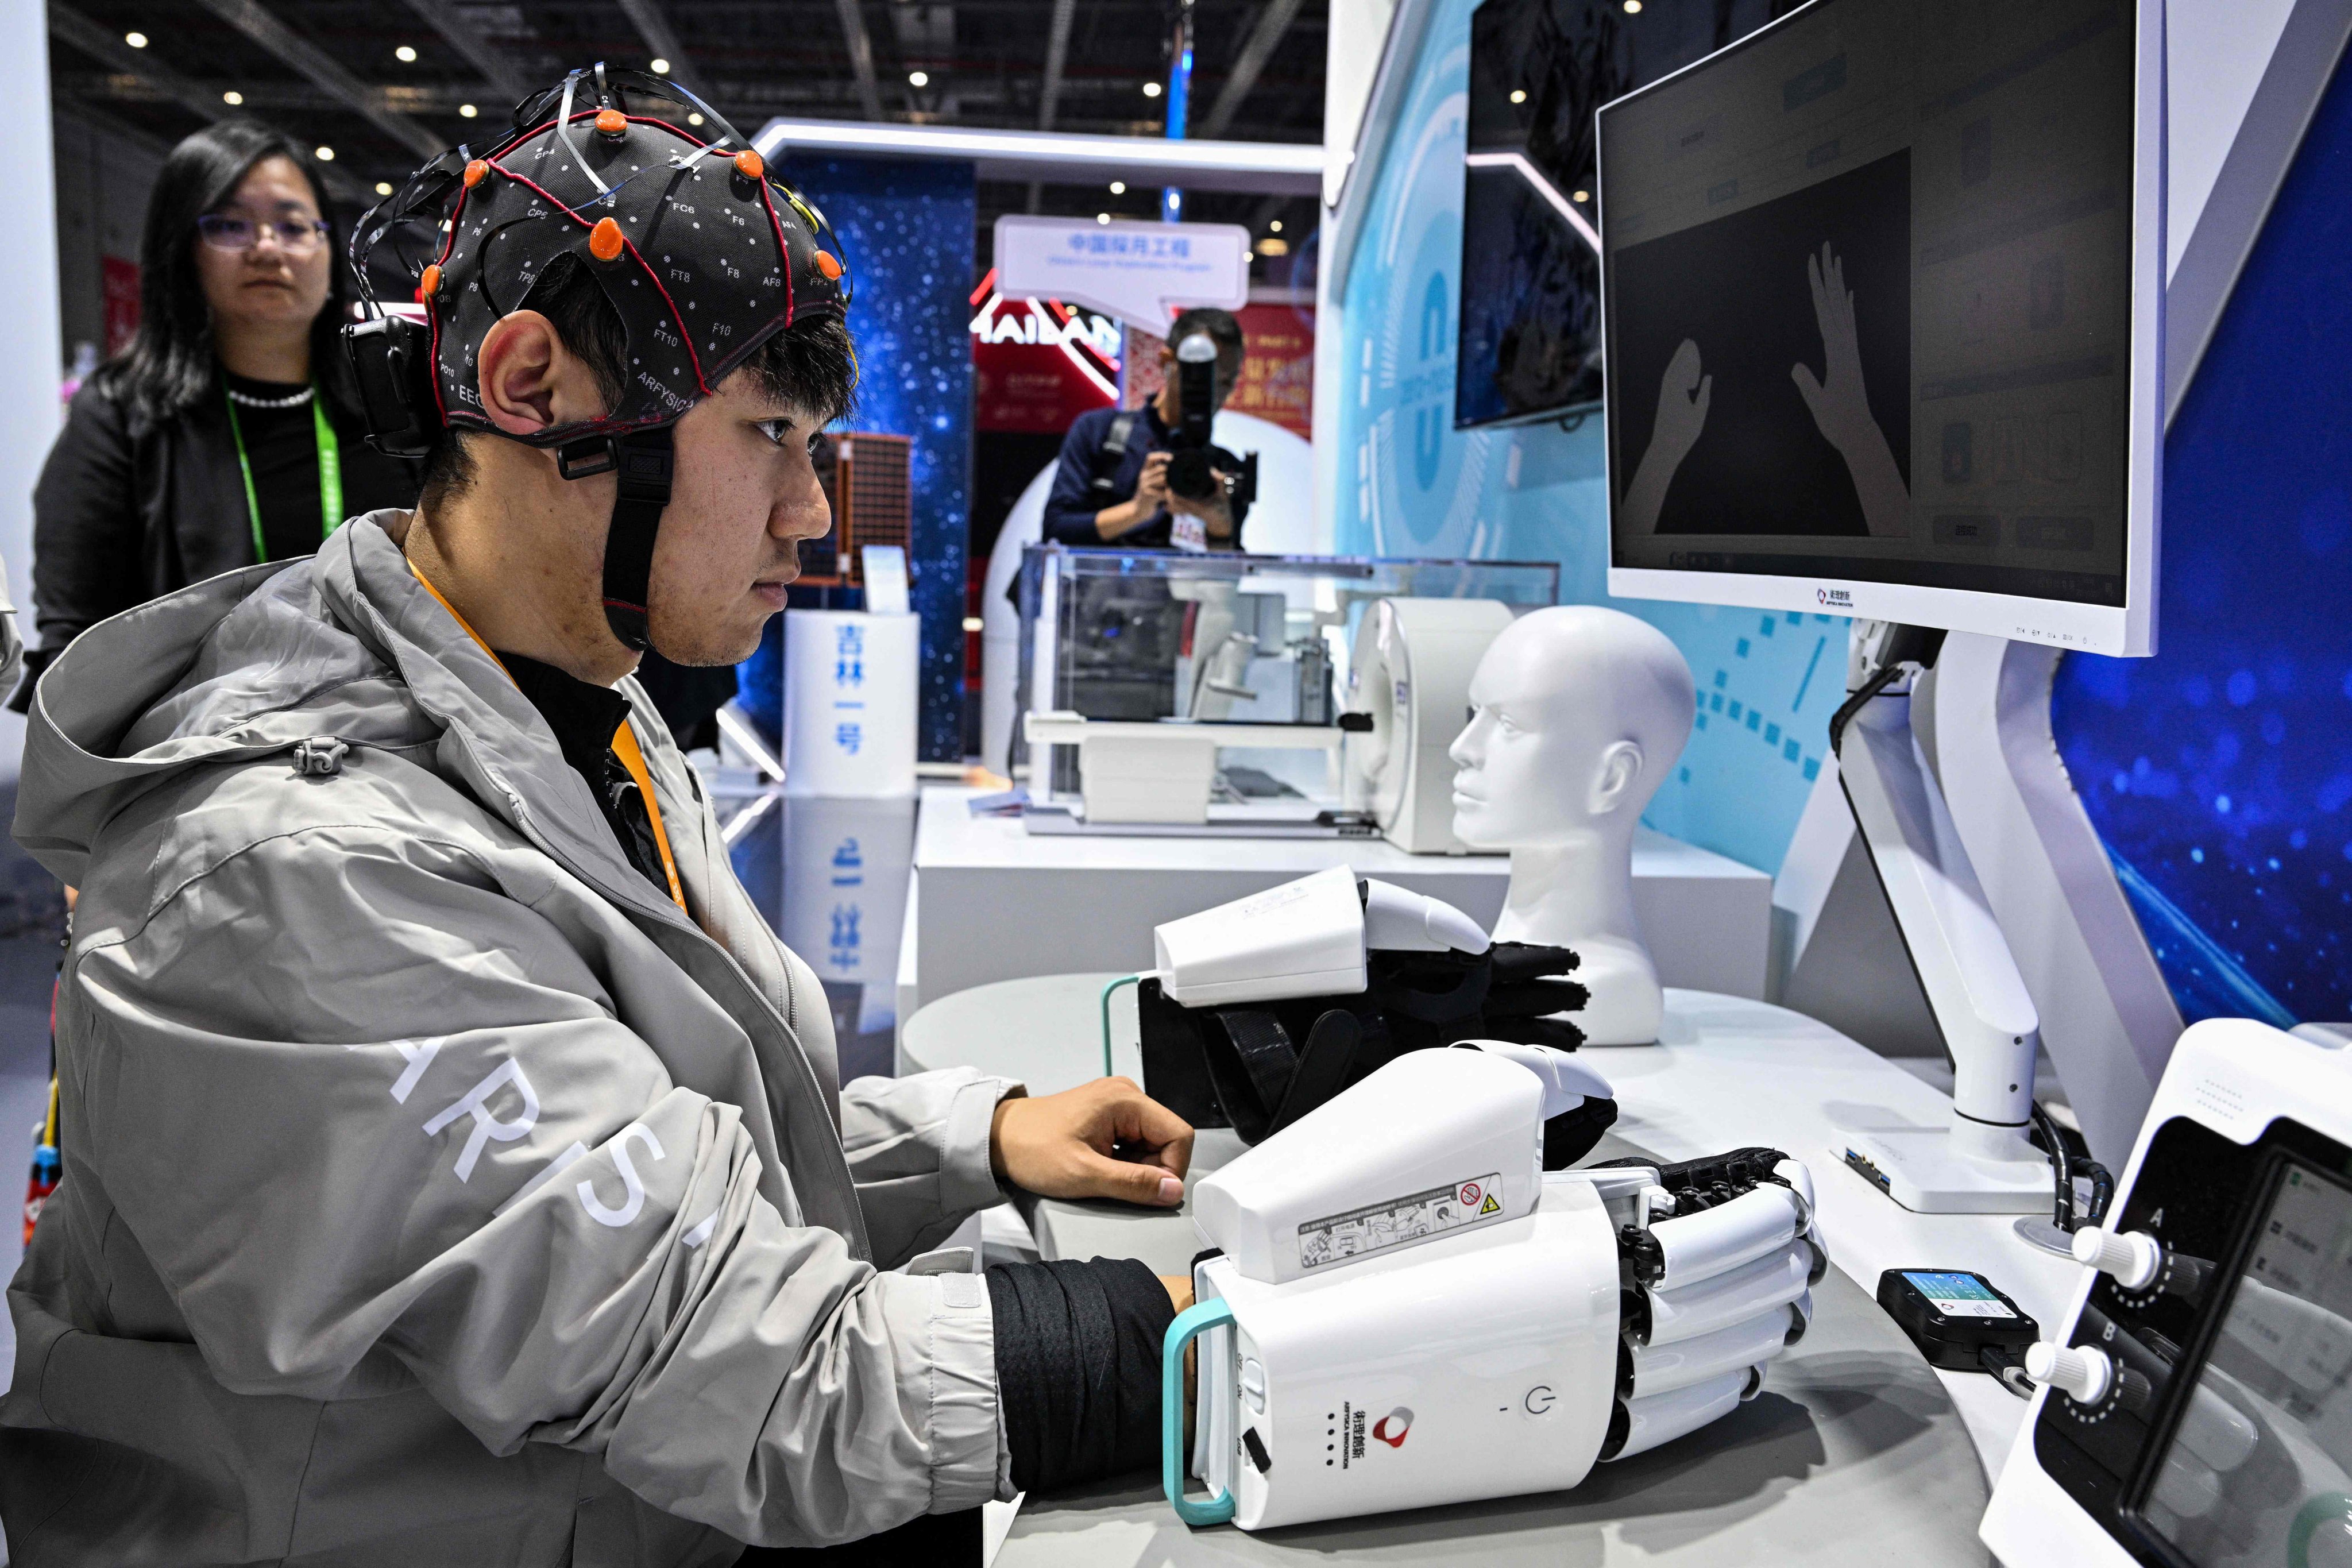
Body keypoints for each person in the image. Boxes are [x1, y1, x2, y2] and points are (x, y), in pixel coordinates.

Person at [0, 68, 1194, 1564]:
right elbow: (751, 1383)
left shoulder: (583, 703)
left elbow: (644, 1151)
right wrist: (1224, 1342)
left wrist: (981, 1138)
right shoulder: (300, 877)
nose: (813, 512)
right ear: (530, 388)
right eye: (766, 431)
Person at [13, 120, 419, 708]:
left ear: (329, 249)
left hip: (390, 743)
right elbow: (75, 645)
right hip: (190, 756)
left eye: (293, 224)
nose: (267, 247)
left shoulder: (393, 407)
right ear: (182, 250)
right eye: (230, 225)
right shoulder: (120, 417)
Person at [1042, 307, 1253, 550]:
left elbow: (1228, 580)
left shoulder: (1224, 470)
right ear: (1167, 361)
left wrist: (1220, 529)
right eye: (1203, 374)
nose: (1215, 391)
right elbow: (1055, 531)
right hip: (1095, 588)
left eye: (1226, 381)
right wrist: (1136, 511)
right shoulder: (1098, 433)